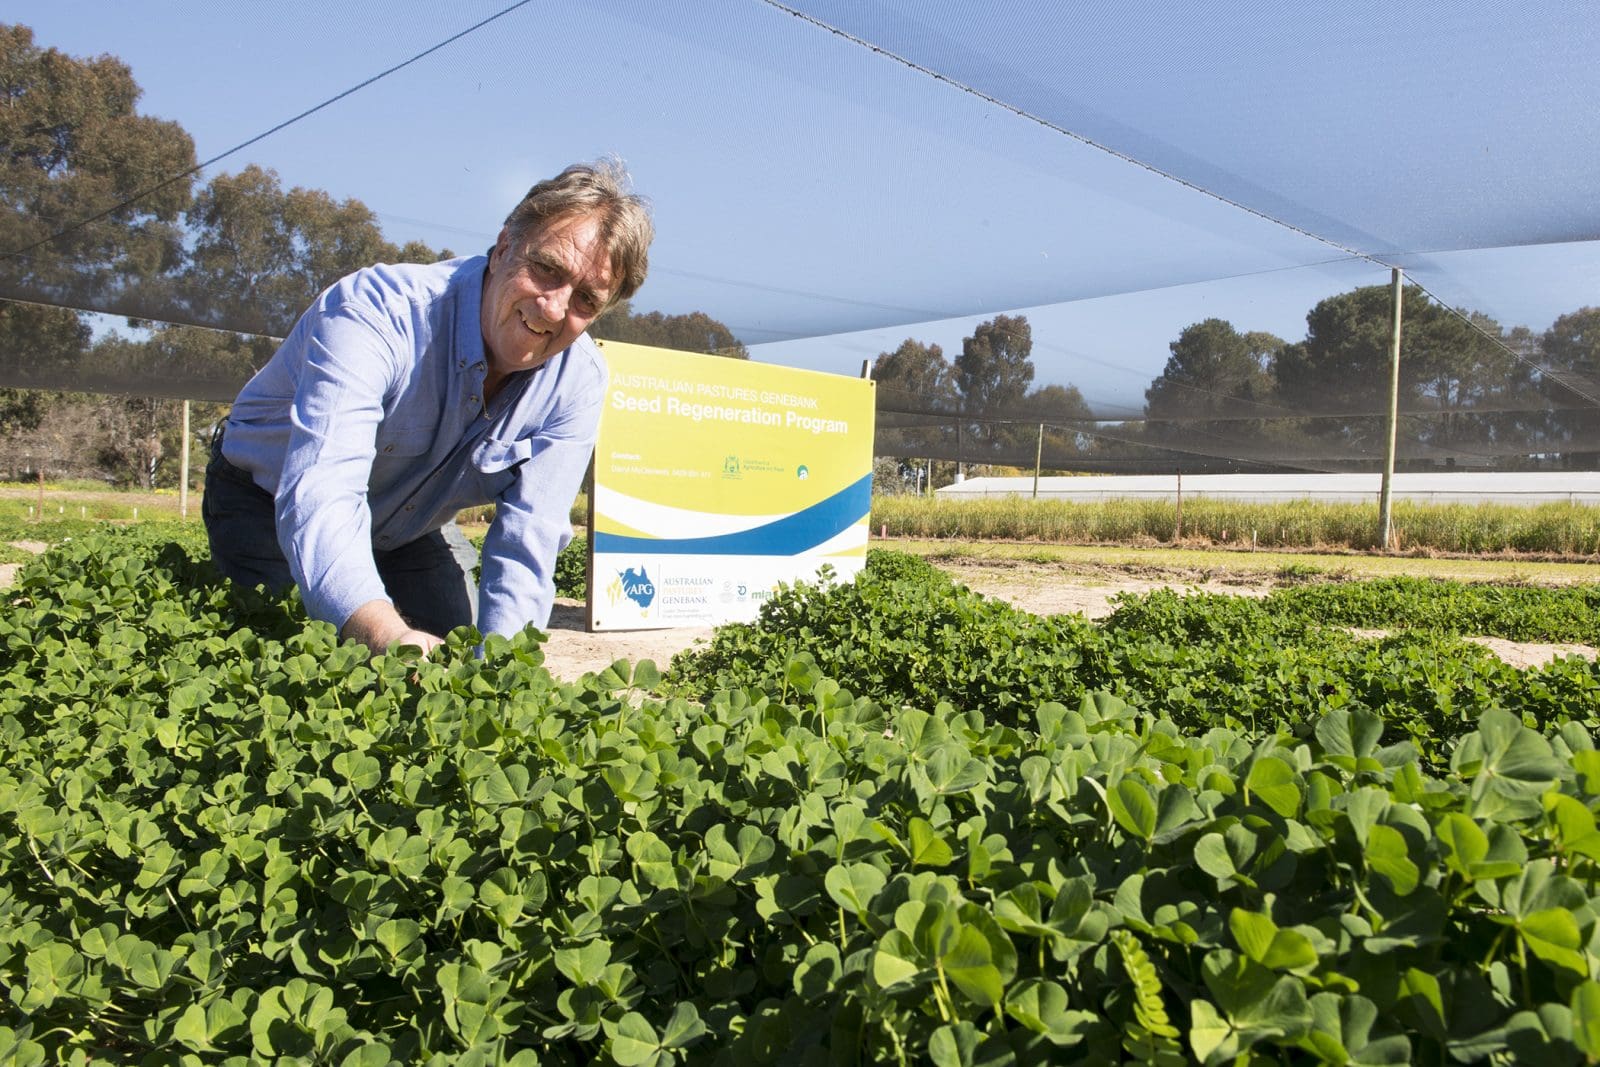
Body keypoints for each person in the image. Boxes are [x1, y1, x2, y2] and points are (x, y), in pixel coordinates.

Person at [203, 159, 652, 655]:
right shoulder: (377, 313)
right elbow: (322, 490)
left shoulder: (578, 381)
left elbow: (530, 538)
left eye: (586, 299)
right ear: (504, 247)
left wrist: (501, 668)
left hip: (407, 526)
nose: (554, 308)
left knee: (462, 656)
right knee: (304, 649)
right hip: (264, 496)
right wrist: (382, 631)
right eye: (547, 269)